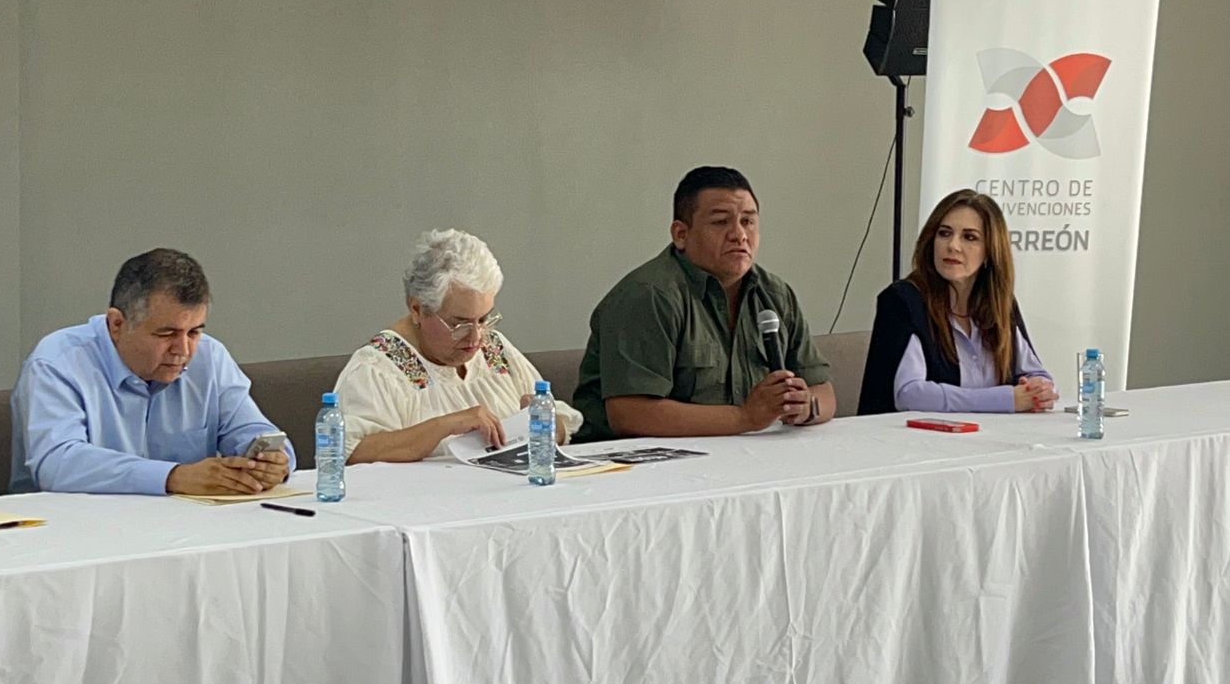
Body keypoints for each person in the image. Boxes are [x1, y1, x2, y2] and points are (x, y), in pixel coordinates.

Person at [572, 166, 835, 442]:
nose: (739, 235)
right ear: (681, 234)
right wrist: (745, 417)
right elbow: (629, 414)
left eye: (748, 221)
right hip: (636, 466)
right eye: (721, 222)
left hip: (743, 455)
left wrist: (806, 407)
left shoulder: (775, 294)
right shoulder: (648, 295)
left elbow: (824, 392)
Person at [10, 249, 295, 495]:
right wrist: (173, 477)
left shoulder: (210, 357)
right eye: (167, 333)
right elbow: (57, 463)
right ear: (117, 324)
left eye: (194, 332)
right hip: (69, 531)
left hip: (186, 527)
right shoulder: (57, 362)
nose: (183, 349)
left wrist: (273, 462)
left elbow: (249, 429)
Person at [335, 229, 581, 462]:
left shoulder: (494, 350)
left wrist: (548, 427)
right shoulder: (377, 368)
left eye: (484, 319)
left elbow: (561, 422)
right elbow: (352, 451)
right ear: (418, 309)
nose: (476, 337)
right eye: (459, 324)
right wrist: (445, 425)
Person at [858, 189, 1057, 415]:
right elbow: (909, 395)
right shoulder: (903, 301)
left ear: (990, 251)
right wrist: (1002, 399)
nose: (953, 245)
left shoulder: (999, 302)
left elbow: (1035, 373)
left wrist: (1039, 389)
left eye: (969, 237)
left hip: (989, 438)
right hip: (912, 441)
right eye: (944, 233)